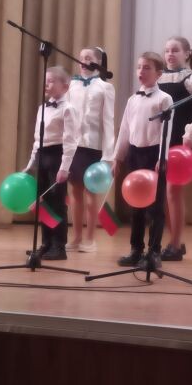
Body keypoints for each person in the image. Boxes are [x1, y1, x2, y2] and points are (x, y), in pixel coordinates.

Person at [113, 52, 173, 268]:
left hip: (154, 154)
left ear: (159, 73)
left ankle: (154, 251)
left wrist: (162, 157)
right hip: (135, 154)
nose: (141, 71)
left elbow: (167, 130)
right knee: (136, 204)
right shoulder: (133, 99)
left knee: (155, 207)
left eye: (147, 68)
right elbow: (125, 130)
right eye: (139, 67)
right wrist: (117, 158)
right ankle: (135, 249)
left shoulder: (164, 99)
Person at [157, 36, 192, 262]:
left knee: (173, 191)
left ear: (187, 53)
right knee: (163, 193)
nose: (170, 54)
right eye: (167, 50)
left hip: (181, 140)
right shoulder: (159, 77)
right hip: (161, 140)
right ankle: (172, 242)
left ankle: (175, 243)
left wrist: (191, 133)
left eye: (175, 50)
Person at [24, 66, 79, 261]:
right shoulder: (42, 108)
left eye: (51, 81)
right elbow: (37, 139)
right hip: (42, 156)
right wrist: (31, 164)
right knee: (43, 202)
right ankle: (46, 243)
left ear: (65, 86)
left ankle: (58, 245)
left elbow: (71, 141)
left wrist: (64, 168)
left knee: (57, 203)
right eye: (46, 81)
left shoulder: (68, 109)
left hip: (57, 156)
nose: (46, 84)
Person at [66, 47, 115, 253]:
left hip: (93, 146)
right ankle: (76, 236)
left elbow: (108, 121)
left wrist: (109, 154)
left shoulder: (105, 88)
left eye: (88, 58)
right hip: (74, 145)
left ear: (98, 62)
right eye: (81, 58)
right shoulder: (72, 85)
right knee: (75, 192)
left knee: (90, 192)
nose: (83, 61)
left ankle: (90, 238)